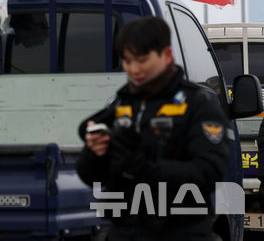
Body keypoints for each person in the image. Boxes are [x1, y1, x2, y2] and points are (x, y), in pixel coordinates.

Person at [76, 16, 229, 240]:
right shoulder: (121, 105)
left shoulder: (197, 104)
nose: (134, 69)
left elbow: (209, 172)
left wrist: (147, 168)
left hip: (181, 232)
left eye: (142, 60)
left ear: (166, 55)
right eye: (127, 61)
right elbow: (90, 175)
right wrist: (96, 153)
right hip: (124, 231)